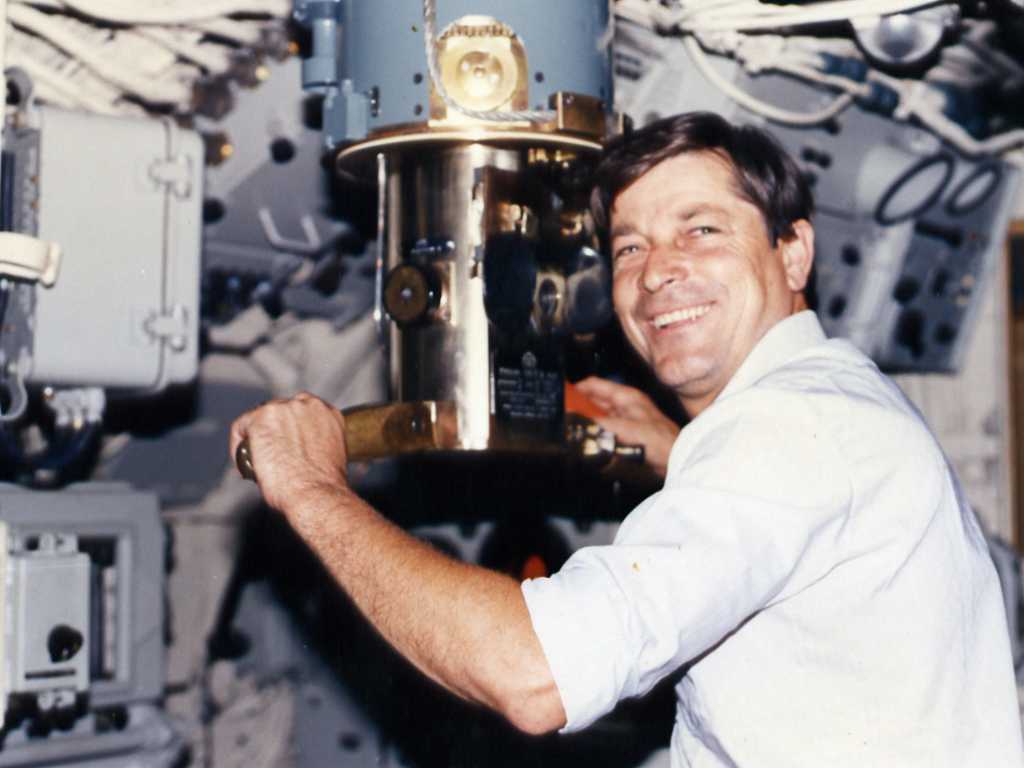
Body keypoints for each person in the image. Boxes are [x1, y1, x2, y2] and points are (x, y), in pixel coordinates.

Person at [229, 112, 1024, 766]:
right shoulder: (831, 403)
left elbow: (533, 675)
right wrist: (680, 452)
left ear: (795, 253)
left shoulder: (789, 429)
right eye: (629, 247)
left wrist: (312, 488)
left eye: (701, 229)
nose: (656, 273)